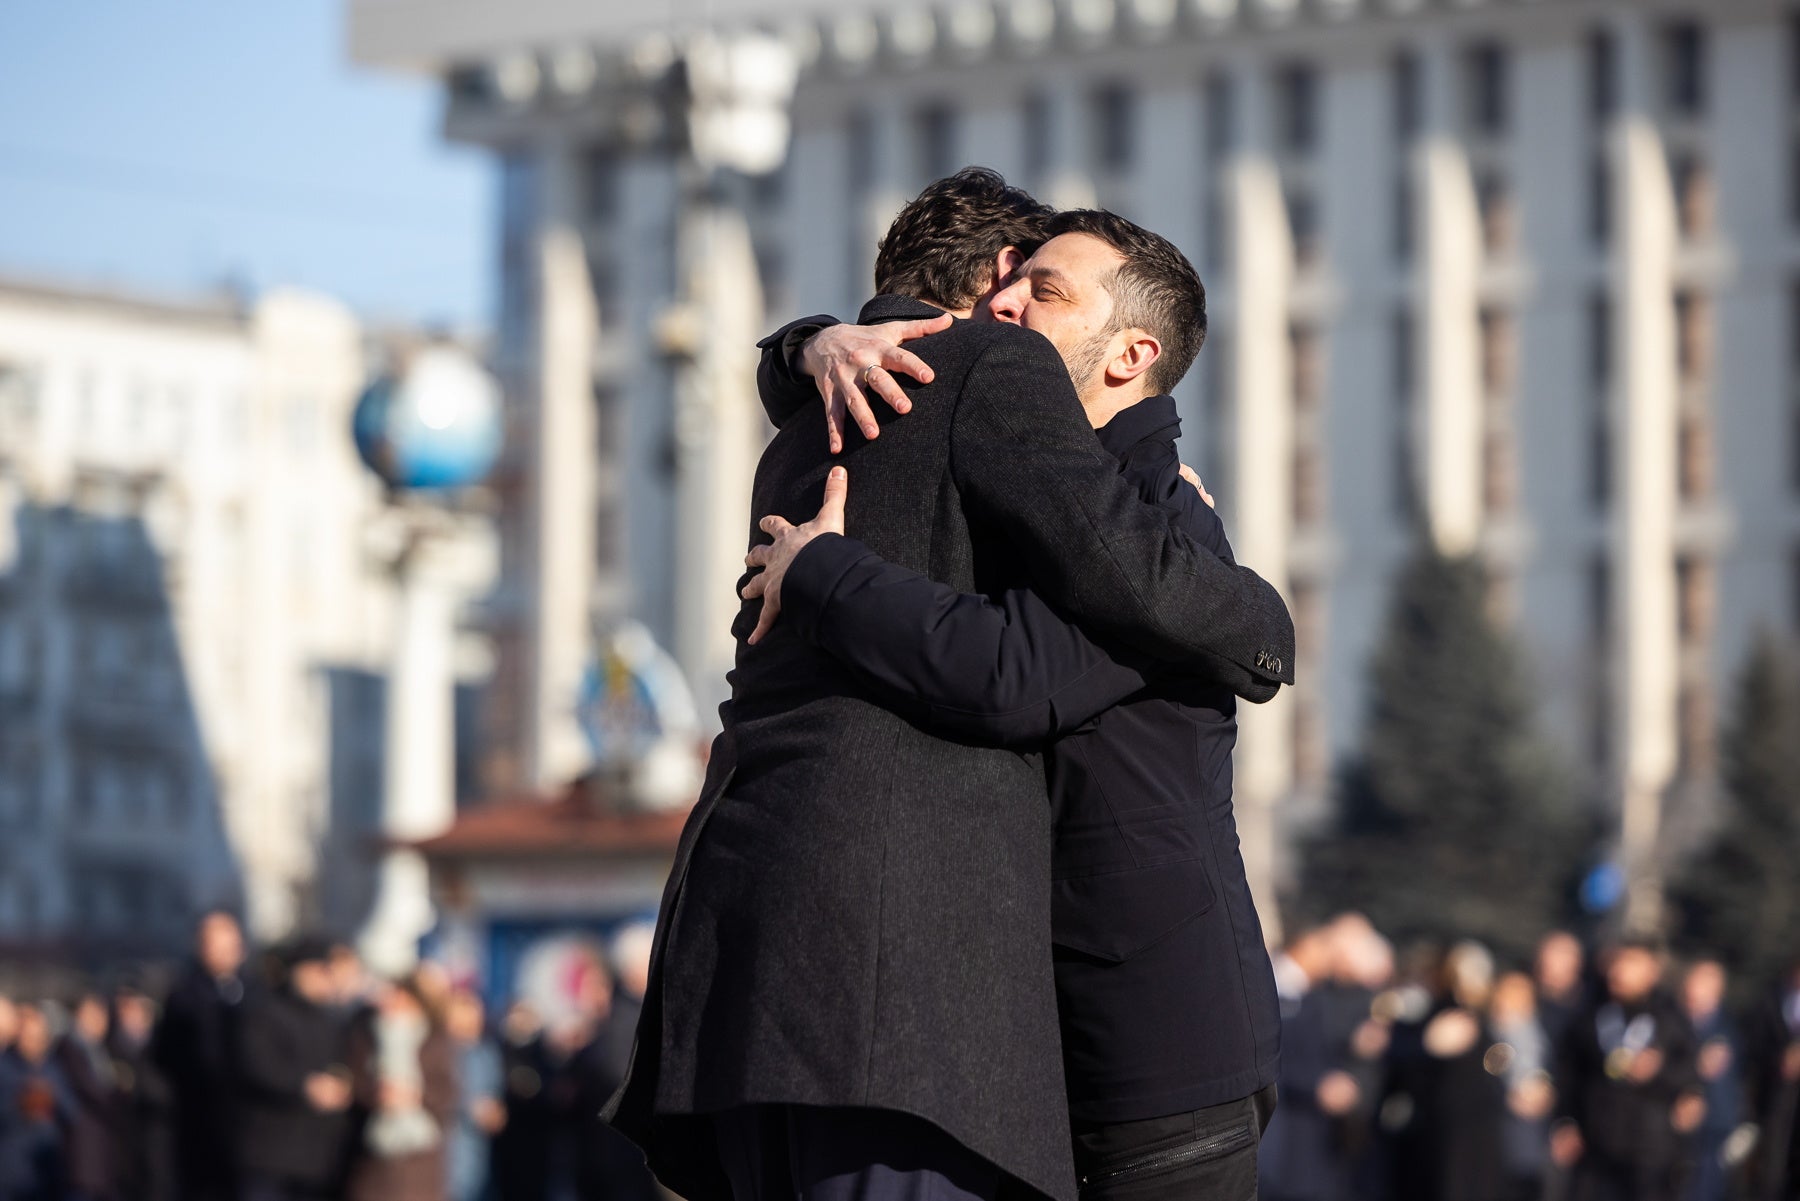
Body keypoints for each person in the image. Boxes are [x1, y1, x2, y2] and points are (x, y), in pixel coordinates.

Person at [603, 167, 1294, 1201]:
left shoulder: (812, 426)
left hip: (788, 979)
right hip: (904, 1002)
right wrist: (1260, 623)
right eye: (1018, 290)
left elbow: (1049, 644)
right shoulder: (982, 378)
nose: (1015, 317)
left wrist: (805, 357)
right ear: (984, 289)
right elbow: (1033, 665)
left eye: (1046, 296)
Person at [1552, 938, 1704, 1201]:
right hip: (1595, 1147)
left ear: (1651, 972)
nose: (1618, 972)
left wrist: (1660, 1072)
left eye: (1629, 963)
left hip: (1649, 1151)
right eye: (1615, 962)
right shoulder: (1591, 1013)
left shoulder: (1670, 1018)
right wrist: (1566, 1120)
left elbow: (1690, 1072)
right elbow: (1570, 1073)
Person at [236, 940, 355, 1201]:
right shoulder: (265, 1011)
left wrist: (341, 1086)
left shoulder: (331, 1020)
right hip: (270, 1152)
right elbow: (256, 1065)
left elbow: (342, 1065)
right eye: (321, 970)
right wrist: (304, 1086)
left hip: (316, 1156)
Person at [150, 909, 246, 1201]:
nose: (219, 953)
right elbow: (166, 1057)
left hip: (249, 1132)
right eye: (211, 944)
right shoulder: (183, 996)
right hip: (198, 1127)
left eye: (226, 945)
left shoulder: (255, 993)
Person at [1261, 924, 1362, 1201]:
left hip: (1312, 1131)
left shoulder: (1312, 993)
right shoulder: (1274, 988)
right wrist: (1317, 1085)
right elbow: (1275, 1057)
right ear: (1305, 947)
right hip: (1284, 1129)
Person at [343, 976, 457, 1201]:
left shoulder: (434, 1039)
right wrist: (378, 1094)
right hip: (374, 1151)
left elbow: (448, 1090)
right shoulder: (367, 1035)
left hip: (421, 1152)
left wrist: (416, 1096)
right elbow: (355, 1079)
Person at [1680, 959, 1741, 1201]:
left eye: (1706, 981)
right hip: (1677, 1127)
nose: (1697, 987)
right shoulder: (1673, 1020)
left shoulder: (1728, 1029)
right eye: (1695, 979)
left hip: (1715, 1126)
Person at [0, 1002, 74, 1201]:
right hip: (11, 1172)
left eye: (37, 1037)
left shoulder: (54, 1069)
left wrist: (52, 1095)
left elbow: (71, 1113)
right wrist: (20, 1100)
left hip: (47, 1167)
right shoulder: (4, 1067)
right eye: (27, 1036)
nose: (32, 1042)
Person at [107, 983, 173, 1201]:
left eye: (133, 1008)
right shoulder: (109, 1046)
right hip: (121, 1139)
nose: (127, 1015)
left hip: (157, 1135)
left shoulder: (162, 1046)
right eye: (123, 1008)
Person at [56, 989, 122, 1201]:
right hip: (81, 1148)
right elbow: (93, 1090)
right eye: (92, 1014)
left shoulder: (100, 1049)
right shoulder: (71, 1047)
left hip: (99, 1150)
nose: (99, 1021)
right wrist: (121, 1095)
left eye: (101, 1015)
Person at [1745, 957, 1800, 1201]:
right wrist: (1779, 1059)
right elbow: (1753, 1046)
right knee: (1770, 1171)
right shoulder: (1769, 1000)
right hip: (1773, 1102)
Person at [446, 989, 504, 1201]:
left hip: (476, 1160)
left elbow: (495, 1097)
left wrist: (495, 1115)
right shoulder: (440, 1053)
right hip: (446, 1158)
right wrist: (467, 1107)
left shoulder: (486, 1054)